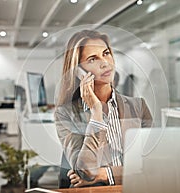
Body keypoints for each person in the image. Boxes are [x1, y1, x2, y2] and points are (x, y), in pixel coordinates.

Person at [54, 30, 152, 188]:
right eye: (92, 59)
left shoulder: (138, 107)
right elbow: (85, 171)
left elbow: (150, 166)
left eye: (106, 53)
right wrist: (96, 113)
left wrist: (105, 174)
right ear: (78, 71)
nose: (105, 63)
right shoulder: (65, 114)